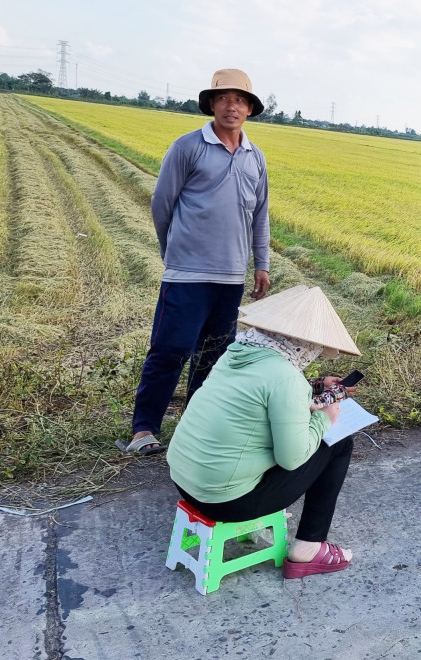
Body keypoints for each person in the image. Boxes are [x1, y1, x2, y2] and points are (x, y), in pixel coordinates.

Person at [119, 69, 271, 455]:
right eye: (223, 98)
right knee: (170, 350)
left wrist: (261, 263)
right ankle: (144, 430)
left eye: (239, 99)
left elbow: (261, 215)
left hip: (230, 276)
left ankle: (194, 426)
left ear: (250, 108)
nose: (231, 106)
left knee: (214, 355)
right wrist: (171, 251)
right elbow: (162, 204)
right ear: (211, 104)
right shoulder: (188, 146)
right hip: (187, 273)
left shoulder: (256, 158)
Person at [166, 286, 356, 578]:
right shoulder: (286, 380)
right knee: (339, 442)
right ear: (303, 344)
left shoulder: (237, 353)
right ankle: (309, 546)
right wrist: (325, 419)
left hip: (185, 481)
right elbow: (292, 459)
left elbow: (258, 398)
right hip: (224, 501)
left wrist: (314, 387)